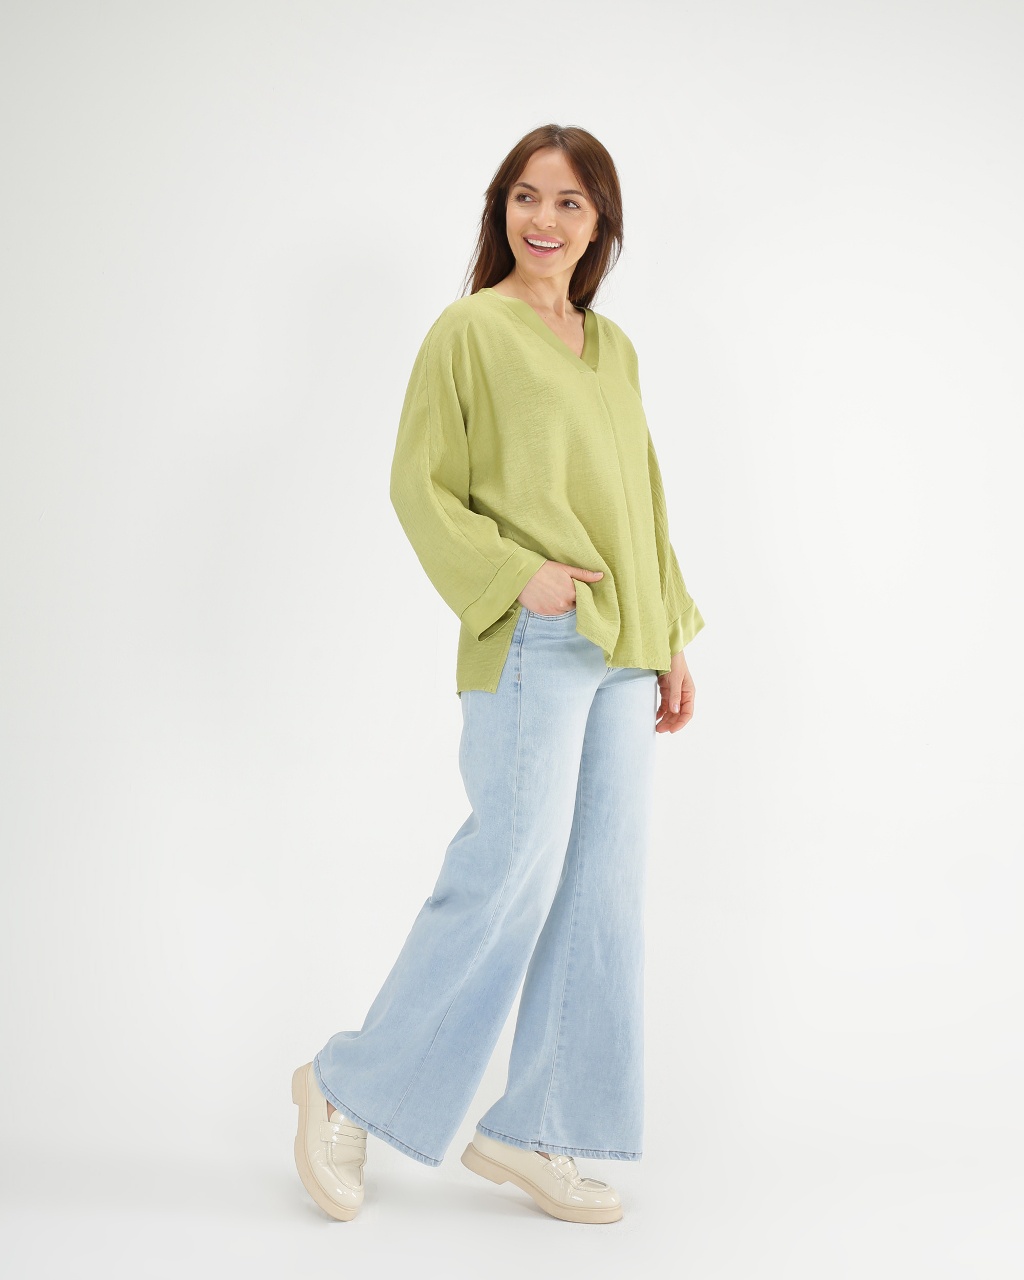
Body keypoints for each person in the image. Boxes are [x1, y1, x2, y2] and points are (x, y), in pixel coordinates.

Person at [292, 123, 705, 1226]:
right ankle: (344, 1086)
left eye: (569, 202)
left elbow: (642, 500)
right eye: (526, 196)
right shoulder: (468, 330)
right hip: (536, 637)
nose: (544, 219)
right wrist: (521, 576)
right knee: (508, 869)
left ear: (600, 223)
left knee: (602, 888)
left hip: (624, 645)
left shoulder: (613, 347)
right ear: (501, 209)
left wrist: (670, 633)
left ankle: (536, 1126)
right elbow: (419, 484)